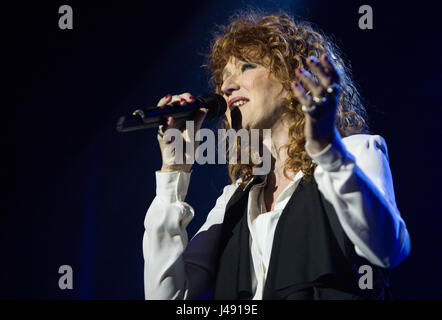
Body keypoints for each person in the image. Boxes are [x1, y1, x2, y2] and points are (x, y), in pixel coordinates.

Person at [142, 11, 411, 300]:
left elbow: (387, 249)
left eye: (246, 66)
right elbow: (166, 296)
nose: (226, 87)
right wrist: (174, 171)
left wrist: (326, 150)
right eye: (223, 78)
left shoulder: (356, 152)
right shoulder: (234, 200)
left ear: (294, 78)